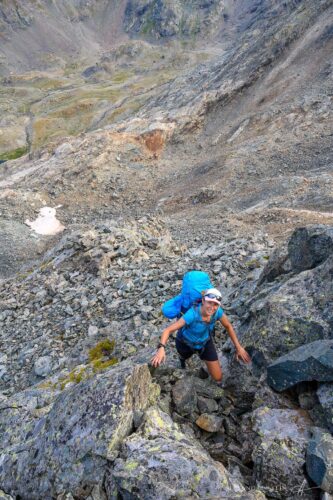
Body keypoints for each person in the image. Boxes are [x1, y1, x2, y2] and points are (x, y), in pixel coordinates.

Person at [151, 288, 251, 383]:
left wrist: (239, 347)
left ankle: (194, 358)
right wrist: (161, 348)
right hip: (185, 342)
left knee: (218, 378)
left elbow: (228, 326)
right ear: (203, 301)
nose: (212, 307)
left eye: (216, 304)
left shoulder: (217, 312)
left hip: (205, 343)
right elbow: (168, 330)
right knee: (184, 357)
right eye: (209, 302)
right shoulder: (192, 314)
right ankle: (182, 359)